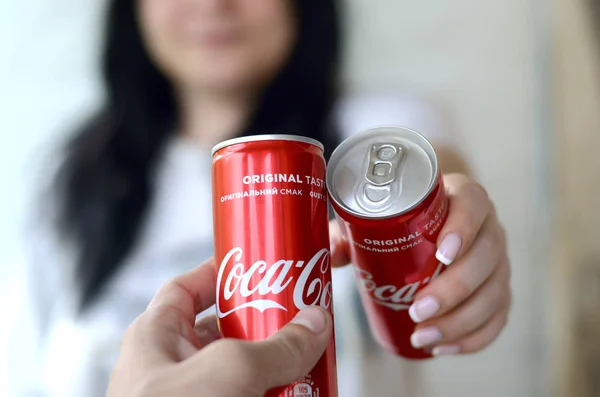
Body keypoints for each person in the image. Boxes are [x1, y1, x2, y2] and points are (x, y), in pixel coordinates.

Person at [2, 0, 511, 396]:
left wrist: (458, 243)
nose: (212, 5)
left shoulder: (376, 132)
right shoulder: (69, 178)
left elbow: (434, 176)